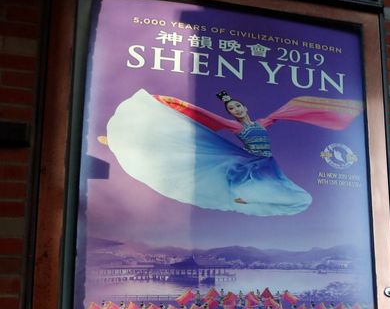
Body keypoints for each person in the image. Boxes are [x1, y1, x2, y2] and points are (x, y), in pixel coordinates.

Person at [104, 87, 362, 215]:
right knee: (274, 194)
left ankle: (244, 199)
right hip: (249, 166)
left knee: (301, 198)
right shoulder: (232, 125)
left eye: (238, 106)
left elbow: (288, 112)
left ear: (244, 107)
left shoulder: (264, 121)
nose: (236, 110)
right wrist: (171, 104)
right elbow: (201, 115)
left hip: (267, 165)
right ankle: (240, 197)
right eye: (232, 110)